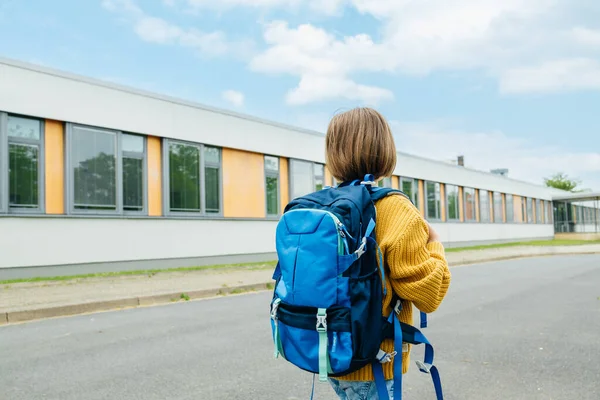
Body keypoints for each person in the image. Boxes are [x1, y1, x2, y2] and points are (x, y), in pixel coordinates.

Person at [325, 107, 452, 400]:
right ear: (384, 150)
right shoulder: (395, 209)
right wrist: (435, 244)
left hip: (329, 350)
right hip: (374, 361)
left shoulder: (327, 205)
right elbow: (429, 295)